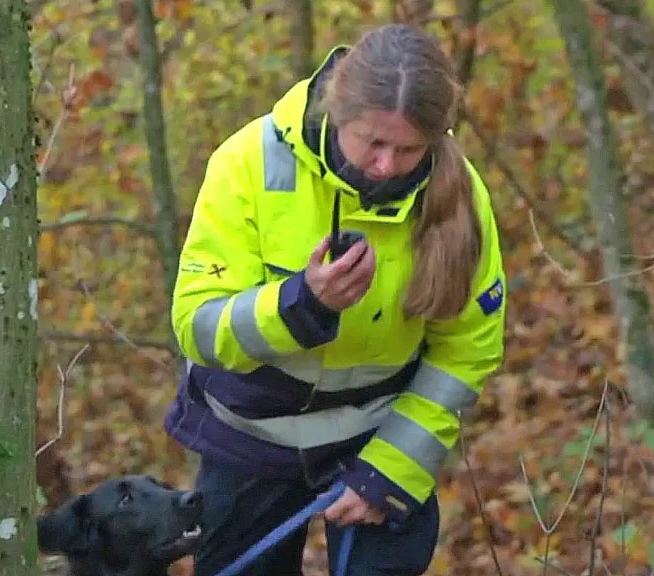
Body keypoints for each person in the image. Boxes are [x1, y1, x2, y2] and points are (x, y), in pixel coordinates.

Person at [163, 22, 507, 576]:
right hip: (250, 442)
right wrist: (300, 307)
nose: (387, 166)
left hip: (380, 438)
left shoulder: (461, 194)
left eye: (408, 149)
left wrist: (391, 473)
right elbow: (197, 326)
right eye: (373, 142)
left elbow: (466, 353)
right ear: (337, 113)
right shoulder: (248, 162)